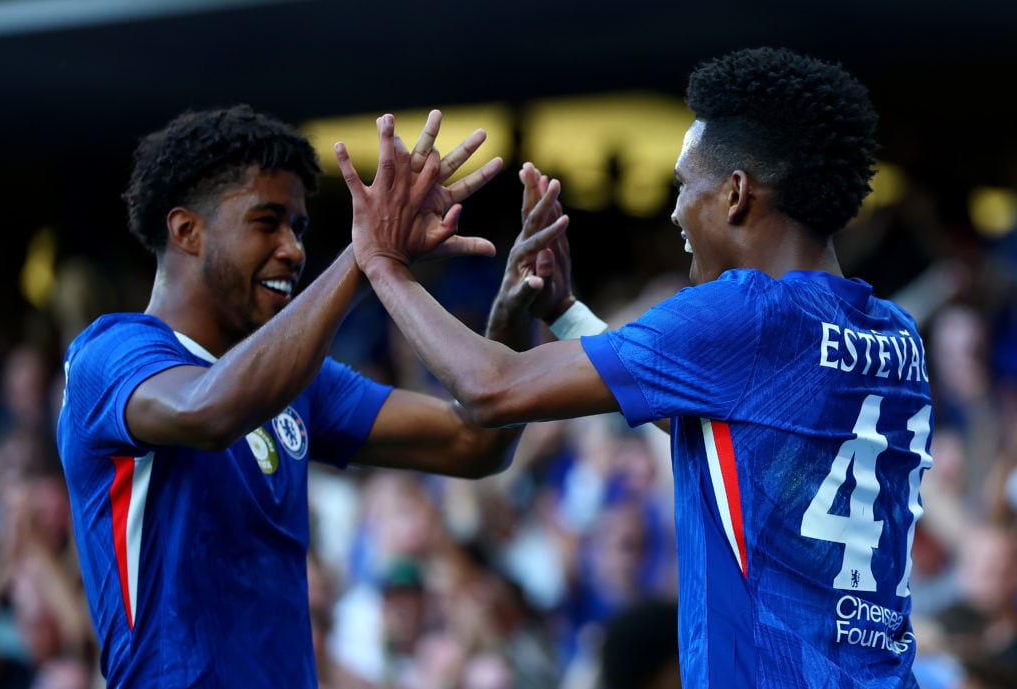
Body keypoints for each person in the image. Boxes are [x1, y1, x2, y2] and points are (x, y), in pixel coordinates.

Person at [342, 47, 935, 687]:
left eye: (685, 187)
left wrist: (381, 262)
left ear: (736, 194)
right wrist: (566, 312)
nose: (676, 212)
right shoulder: (893, 334)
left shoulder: (744, 312)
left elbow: (490, 389)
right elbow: (731, 445)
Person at [55, 104, 531, 688]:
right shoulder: (110, 355)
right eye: (267, 221)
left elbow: (475, 445)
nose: (293, 249)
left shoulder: (298, 380)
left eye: (299, 228)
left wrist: (512, 321)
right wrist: (367, 255)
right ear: (186, 231)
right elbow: (207, 410)